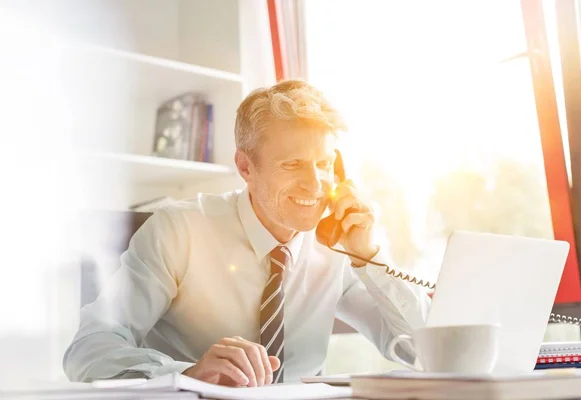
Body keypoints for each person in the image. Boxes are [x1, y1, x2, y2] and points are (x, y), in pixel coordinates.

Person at [63, 79, 431, 386]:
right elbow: (89, 349)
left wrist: (369, 257)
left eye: (324, 164)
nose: (315, 184)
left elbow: (423, 351)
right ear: (245, 167)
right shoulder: (180, 231)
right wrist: (189, 375)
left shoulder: (336, 247)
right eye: (293, 165)